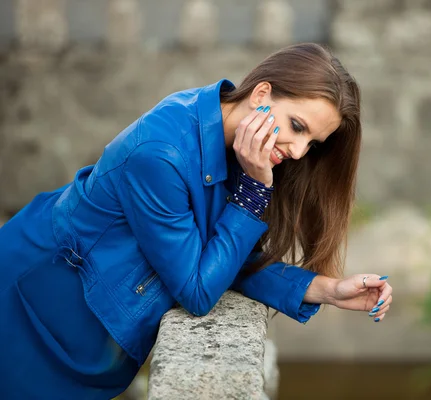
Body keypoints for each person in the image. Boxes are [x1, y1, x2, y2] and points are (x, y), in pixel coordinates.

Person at [0, 43, 393, 399]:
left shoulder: (238, 148)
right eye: (297, 126)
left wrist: (328, 289)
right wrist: (254, 191)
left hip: (84, 335)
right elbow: (198, 289)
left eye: (313, 144)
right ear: (261, 94)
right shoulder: (161, 153)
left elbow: (219, 258)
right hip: (33, 310)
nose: (298, 151)